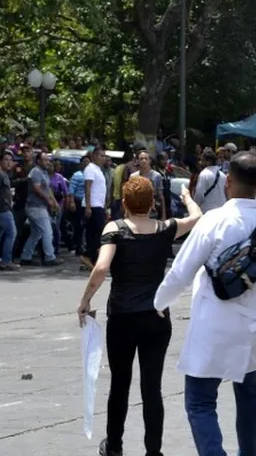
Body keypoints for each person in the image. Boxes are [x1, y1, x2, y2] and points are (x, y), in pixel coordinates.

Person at [154, 150, 256, 456]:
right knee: (249, 392)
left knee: (200, 400)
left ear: (228, 182)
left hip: (216, 325)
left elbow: (181, 272)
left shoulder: (215, 220)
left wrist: (159, 302)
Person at [77, 177, 201, 456]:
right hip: (156, 317)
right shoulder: (166, 228)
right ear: (153, 203)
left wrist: (86, 300)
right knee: (152, 387)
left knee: (120, 384)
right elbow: (197, 217)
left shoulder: (115, 229)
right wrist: (186, 197)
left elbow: (101, 268)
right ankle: (153, 451)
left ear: (124, 204)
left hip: (122, 317)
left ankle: (115, 446)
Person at [20, 153, 61, 266]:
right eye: (45, 160)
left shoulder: (44, 172)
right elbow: (37, 189)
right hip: (35, 207)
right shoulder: (35, 172)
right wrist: (48, 200)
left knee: (36, 233)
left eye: (48, 160)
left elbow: (48, 189)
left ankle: (26, 257)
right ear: (38, 161)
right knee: (47, 231)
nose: (48, 162)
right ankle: (50, 258)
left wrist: (55, 202)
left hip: (40, 207)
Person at [82, 145, 109, 267]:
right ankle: (87, 255)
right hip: (93, 205)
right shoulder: (90, 169)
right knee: (99, 233)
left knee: (94, 233)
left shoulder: (98, 169)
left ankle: (91, 259)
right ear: (93, 156)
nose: (103, 158)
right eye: (100, 155)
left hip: (99, 205)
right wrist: (88, 206)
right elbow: (87, 188)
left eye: (104, 156)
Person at [0, 150, 17, 269]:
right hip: (2, 209)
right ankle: (7, 261)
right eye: (6, 159)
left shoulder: (4, 174)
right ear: (0, 161)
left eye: (10, 160)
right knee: (11, 233)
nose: (8, 162)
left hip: (0, 209)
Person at [131, 150, 167, 220]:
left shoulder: (157, 176)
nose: (144, 161)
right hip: (137, 213)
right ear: (137, 161)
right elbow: (130, 196)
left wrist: (164, 215)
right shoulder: (133, 177)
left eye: (146, 158)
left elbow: (161, 197)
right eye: (141, 159)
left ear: (150, 161)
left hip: (152, 213)